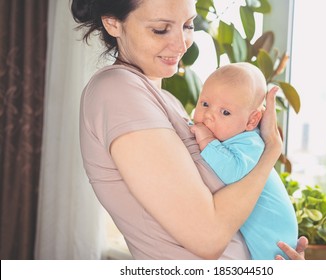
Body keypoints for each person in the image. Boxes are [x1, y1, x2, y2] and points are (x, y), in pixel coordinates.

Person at [71, 0, 308, 260]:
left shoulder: (167, 102)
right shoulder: (117, 91)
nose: (182, 44)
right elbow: (208, 238)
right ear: (113, 23)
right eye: (161, 29)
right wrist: (271, 151)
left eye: (187, 25)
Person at [190, 62, 298, 259]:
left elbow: (232, 172)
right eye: (205, 104)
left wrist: (206, 140)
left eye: (225, 112)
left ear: (252, 121)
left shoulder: (250, 143)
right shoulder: (229, 134)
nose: (208, 115)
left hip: (274, 241)